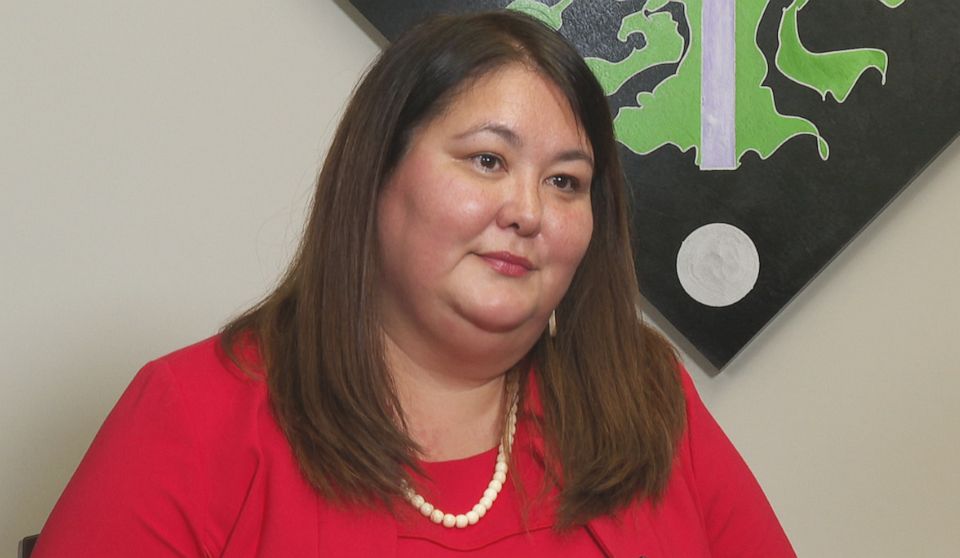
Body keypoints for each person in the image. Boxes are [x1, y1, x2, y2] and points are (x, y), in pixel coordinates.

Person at [32, 11, 795, 557]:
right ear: (376, 176)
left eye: (566, 181)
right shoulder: (188, 416)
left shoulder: (647, 394)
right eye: (487, 160)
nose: (528, 212)